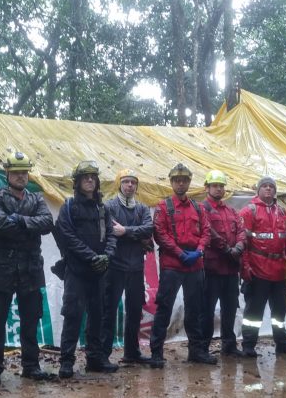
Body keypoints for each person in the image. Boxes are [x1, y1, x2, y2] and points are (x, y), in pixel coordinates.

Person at [0, 152, 54, 386]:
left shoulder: (37, 199)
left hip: (31, 267)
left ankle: (31, 366)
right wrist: (28, 224)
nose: (21, 176)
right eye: (16, 173)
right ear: (7, 174)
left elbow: (47, 223)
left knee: (31, 320)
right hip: (2, 267)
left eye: (24, 172)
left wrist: (19, 220)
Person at [54, 160, 117, 378]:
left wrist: (107, 255)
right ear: (78, 182)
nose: (90, 180)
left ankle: (95, 359)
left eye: (93, 177)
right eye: (85, 177)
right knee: (73, 315)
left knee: (98, 316)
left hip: (99, 272)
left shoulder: (103, 208)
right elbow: (68, 236)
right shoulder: (69, 207)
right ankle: (67, 362)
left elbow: (111, 234)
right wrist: (91, 257)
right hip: (77, 272)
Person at [149, 163, 213, 368]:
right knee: (164, 308)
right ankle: (156, 353)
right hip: (172, 265)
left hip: (195, 264)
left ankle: (196, 351)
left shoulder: (198, 207)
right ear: (172, 182)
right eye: (177, 180)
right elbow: (160, 234)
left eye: (184, 180)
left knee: (195, 309)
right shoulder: (163, 207)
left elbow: (206, 232)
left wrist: (199, 251)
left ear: (188, 182)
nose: (181, 183)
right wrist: (179, 253)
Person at [238, 177, 286, 357]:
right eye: (264, 186)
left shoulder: (282, 212)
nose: (268, 189)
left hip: (278, 271)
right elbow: (242, 242)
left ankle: (282, 343)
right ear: (258, 190)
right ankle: (249, 345)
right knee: (254, 312)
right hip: (257, 269)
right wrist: (245, 267)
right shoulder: (248, 211)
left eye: (271, 187)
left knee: (279, 312)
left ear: (275, 191)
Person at [102, 169, 154, 365]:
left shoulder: (141, 208)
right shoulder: (109, 206)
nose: (130, 185)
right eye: (126, 182)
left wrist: (125, 231)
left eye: (133, 182)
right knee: (109, 310)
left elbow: (149, 229)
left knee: (134, 310)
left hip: (135, 268)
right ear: (119, 184)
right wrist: (136, 234)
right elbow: (108, 230)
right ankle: (103, 354)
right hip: (115, 266)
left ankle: (132, 352)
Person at [201, 170, 246, 357]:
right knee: (207, 310)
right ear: (207, 187)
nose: (218, 189)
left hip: (231, 270)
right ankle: (202, 347)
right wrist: (227, 249)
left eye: (221, 186)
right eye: (215, 185)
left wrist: (240, 246)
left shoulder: (230, 211)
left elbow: (242, 230)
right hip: (212, 269)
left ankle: (229, 345)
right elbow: (208, 232)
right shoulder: (202, 209)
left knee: (230, 309)